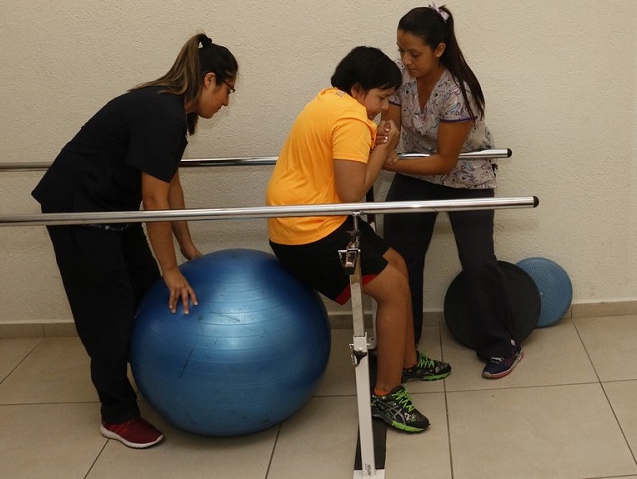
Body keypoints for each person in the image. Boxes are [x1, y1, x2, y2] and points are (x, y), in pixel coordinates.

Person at [32, 33, 238, 449]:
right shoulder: (162, 112)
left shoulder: (173, 112)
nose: (227, 102)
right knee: (109, 318)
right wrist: (170, 268)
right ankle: (117, 415)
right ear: (209, 80)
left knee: (149, 293)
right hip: (79, 212)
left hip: (114, 212)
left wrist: (186, 247)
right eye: (227, 91)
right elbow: (154, 199)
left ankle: (154, 381)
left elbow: (170, 182)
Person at [266, 46, 450, 434]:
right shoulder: (350, 116)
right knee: (393, 290)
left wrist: (376, 140)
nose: (383, 109)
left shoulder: (327, 101)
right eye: (381, 98)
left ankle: (407, 362)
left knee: (397, 263)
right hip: (309, 233)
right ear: (357, 89)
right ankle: (386, 394)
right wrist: (384, 146)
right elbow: (352, 194)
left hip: (316, 219)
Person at [382, 4, 522, 379]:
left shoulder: (458, 92)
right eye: (401, 51)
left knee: (478, 261)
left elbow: (445, 161)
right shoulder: (401, 76)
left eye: (415, 53)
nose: (406, 60)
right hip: (414, 169)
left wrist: (389, 163)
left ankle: (501, 344)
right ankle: (404, 349)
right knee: (398, 260)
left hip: (465, 176)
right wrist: (383, 146)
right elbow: (390, 126)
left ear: (439, 49)